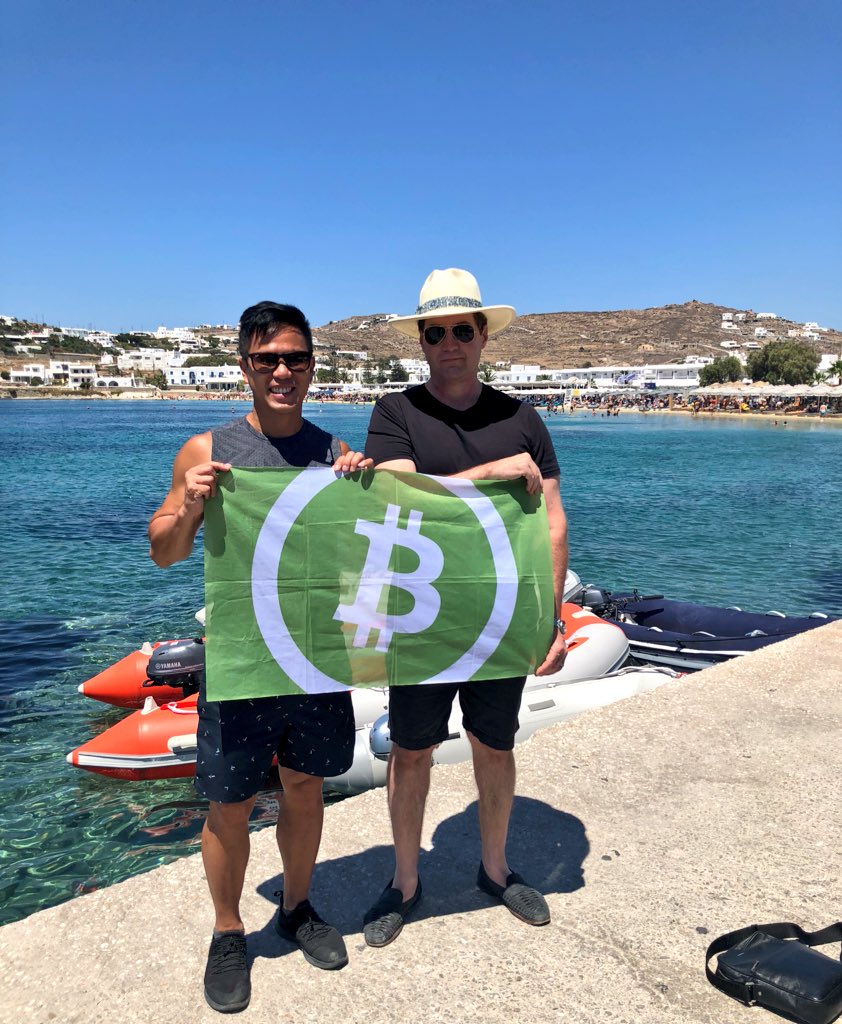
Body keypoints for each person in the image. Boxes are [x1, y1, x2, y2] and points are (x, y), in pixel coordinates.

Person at [149, 301, 371, 1013]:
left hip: (314, 657)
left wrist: (363, 492)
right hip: (242, 658)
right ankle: (227, 931)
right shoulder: (206, 448)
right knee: (230, 804)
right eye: (267, 359)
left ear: (312, 367)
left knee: (305, 788)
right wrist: (189, 503)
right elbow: (163, 551)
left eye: (295, 359)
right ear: (244, 366)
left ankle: (297, 908)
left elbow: (359, 557)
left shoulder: (334, 452)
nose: (282, 371)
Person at [362, 268, 569, 947]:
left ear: (483, 335)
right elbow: (399, 498)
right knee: (411, 751)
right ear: (421, 342)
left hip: (502, 617)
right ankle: (404, 881)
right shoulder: (396, 413)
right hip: (419, 616)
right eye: (434, 333)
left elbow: (552, 522)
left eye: (460, 330)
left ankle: (495, 868)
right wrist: (489, 473)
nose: (448, 343)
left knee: (494, 744)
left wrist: (552, 619)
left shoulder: (522, 419)